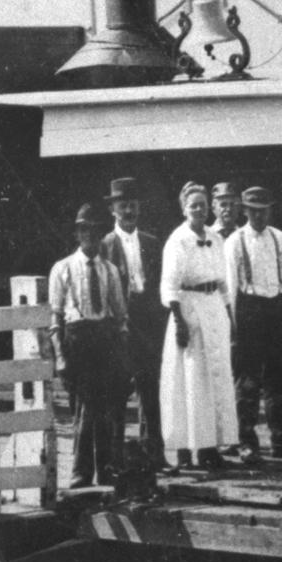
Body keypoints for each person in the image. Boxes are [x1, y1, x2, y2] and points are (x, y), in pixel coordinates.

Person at [222, 185, 282, 459]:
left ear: (270, 211)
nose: (259, 216)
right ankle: (247, 441)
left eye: (264, 211)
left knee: (278, 379)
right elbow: (230, 288)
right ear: (245, 211)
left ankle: (281, 440)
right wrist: (233, 328)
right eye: (253, 211)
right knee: (248, 382)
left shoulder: (278, 237)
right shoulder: (234, 241)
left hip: (275, 311)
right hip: (248, 313)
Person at [48, 203, 129, 489]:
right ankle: (82, 471)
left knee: (102, 407)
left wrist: (122, 354)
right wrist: (60, 356)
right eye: (84, 230)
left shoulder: (110, 271)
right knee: (84, 405)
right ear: (77, 233)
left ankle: (101, 471)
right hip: (77, 340)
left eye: (95, 231)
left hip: (104, 340)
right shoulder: (63, 268)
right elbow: (55, 318)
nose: (90, 236)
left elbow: (120, 316)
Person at [159, 182, 238, 472]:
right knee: (191, 381)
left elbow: (224, 282)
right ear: (184, 209)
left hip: (214, 308)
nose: (199, 210)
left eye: (203, 205)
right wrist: (179, 321)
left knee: (216, 378)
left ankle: (210, 447)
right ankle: (187, 449)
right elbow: (169, 285)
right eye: (193, 205)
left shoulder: (216, 238)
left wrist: (229, 315)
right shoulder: (177, 240)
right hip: (189, 311)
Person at [99, 175, 168, 470]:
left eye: (133, 205)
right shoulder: (104, 246)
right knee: (117, 392)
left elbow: (161, 285)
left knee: (150, 391)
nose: (128, 211)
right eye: (123, 205)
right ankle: (116, 458)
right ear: (112, 210)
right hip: (120, 326)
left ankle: (154, 454)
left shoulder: (151, 242)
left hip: (148, 324)